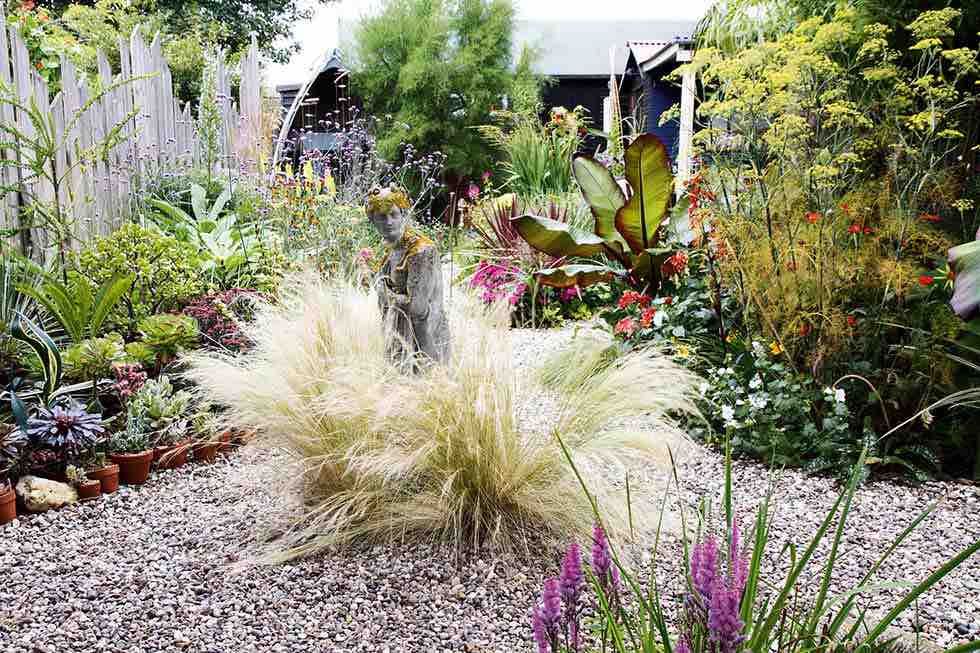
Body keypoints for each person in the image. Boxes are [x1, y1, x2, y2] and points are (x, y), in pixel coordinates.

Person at [365, 186, 449, 370]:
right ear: (373, 221)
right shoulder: (393, 249)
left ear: (403, 214)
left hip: (424, 346)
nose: (388, 222)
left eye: (393, 215)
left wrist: (383, 291)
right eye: (381, 217)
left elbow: (417, 307)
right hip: (401, 342)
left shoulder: (420, 252)